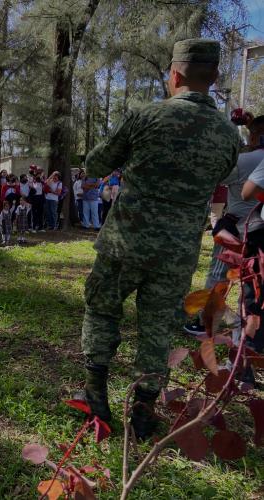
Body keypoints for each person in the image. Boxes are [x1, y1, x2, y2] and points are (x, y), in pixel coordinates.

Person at [79, 39, 240, 440]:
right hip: (178, 250)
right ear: (214, 77)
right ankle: (144, 412)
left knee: (102, 310)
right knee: (157, 328)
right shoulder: (228, 135)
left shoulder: (146, 117)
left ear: (174, 75)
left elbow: (96, 164)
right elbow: (219, 178)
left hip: (126, 240)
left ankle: (96, 395)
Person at [185, 115, 264, 335]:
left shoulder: (246, 160)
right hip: (260, 228)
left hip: (238, 227)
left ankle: (206, 323)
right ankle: (252, 328)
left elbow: (213, 175)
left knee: (219, 276)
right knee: (255, 283)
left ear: (256, 135)